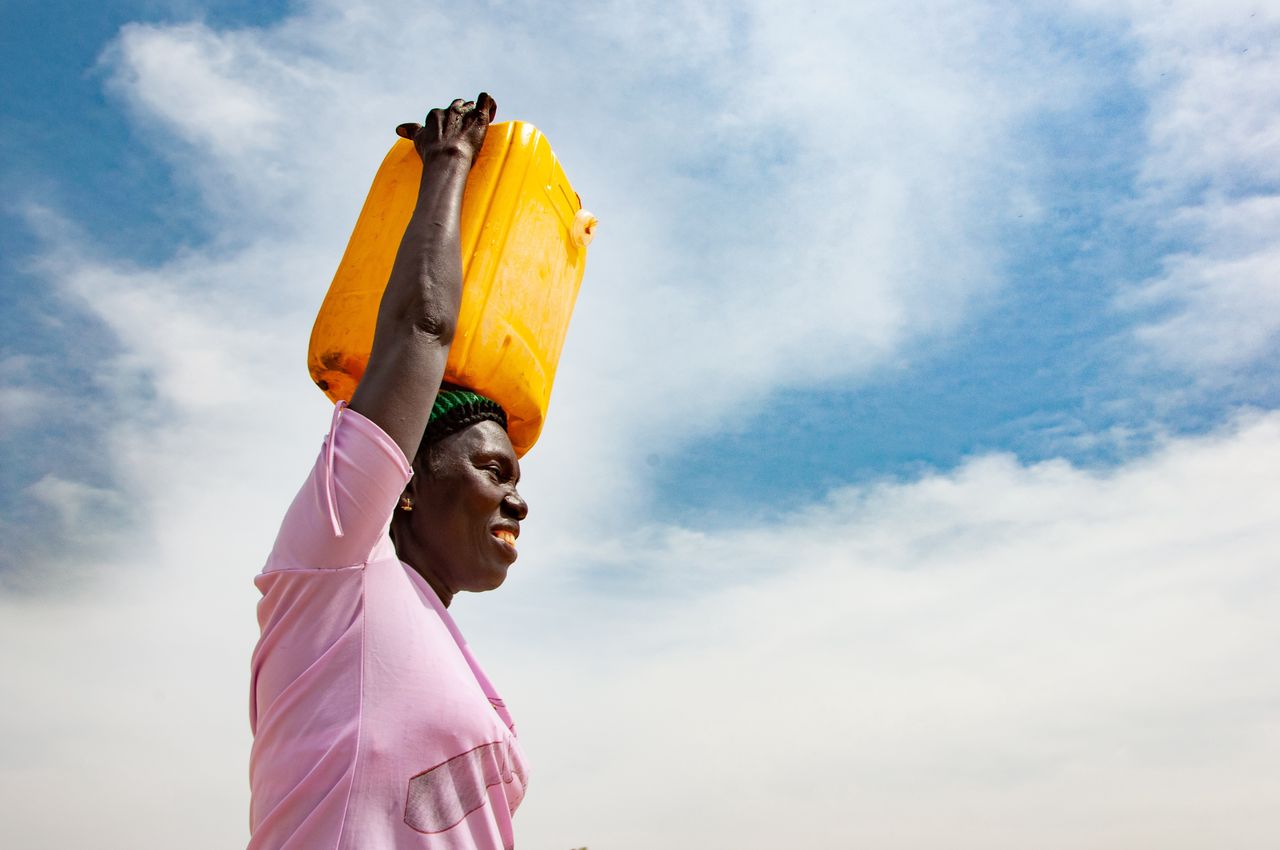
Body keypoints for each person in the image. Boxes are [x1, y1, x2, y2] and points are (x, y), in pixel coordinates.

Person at [247, 93, 531, 850]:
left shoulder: (456, 657)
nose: (518, 500)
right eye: (494, 471)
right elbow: (420, 329)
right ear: (404, 485)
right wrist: (449, 165)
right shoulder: (339, 566)